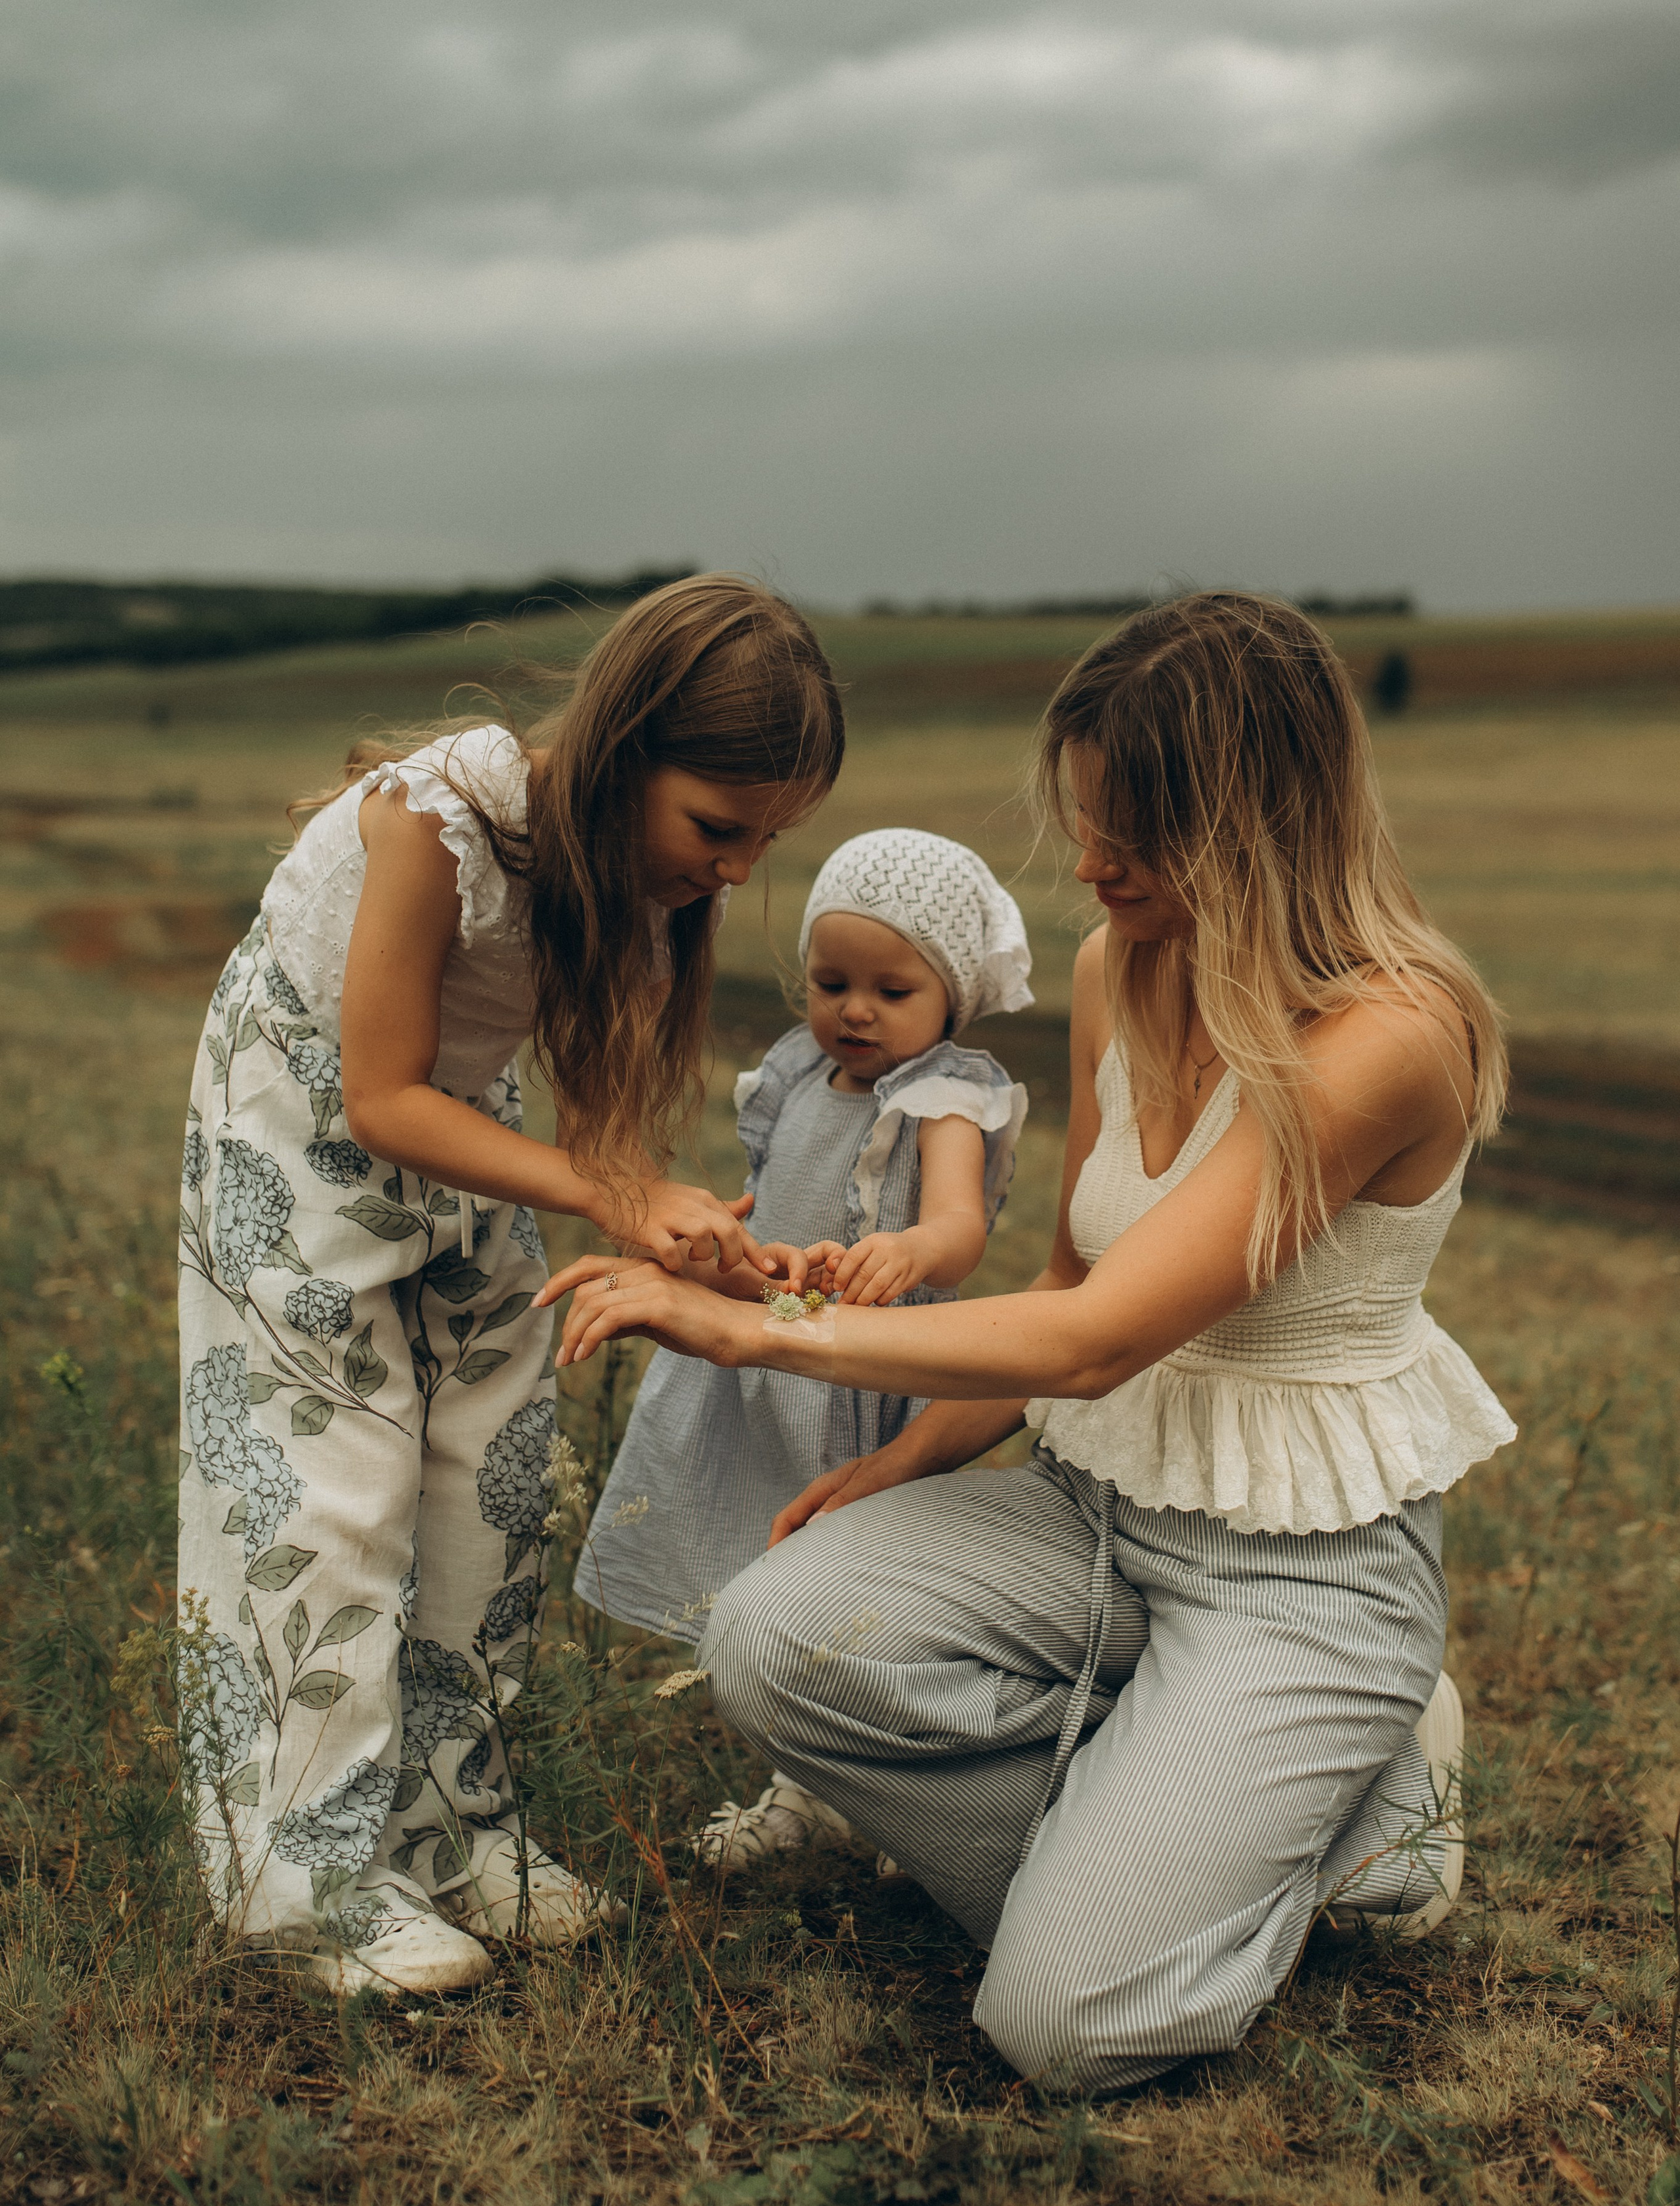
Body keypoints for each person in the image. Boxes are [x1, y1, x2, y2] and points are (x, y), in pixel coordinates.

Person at [543, 590, 1518, 2094]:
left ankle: (1360, 1822)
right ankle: (1185, 1826)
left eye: (1130, 832)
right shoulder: (1116, 968)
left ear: (1250, 822)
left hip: (1300, 1575)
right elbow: (1068, 1272)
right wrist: (914, 1469)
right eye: (1084, 821)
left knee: (1058, 2023)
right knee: (770, 1637)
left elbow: (1088, 1335)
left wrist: (751, 1324)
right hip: (1089, 1514)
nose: (1086, 865)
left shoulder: (1390, 1035)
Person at [176, 575, 844, 1994]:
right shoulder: (440, 825)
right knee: (333, 1486)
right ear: (620, 752)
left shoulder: (640, 883)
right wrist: (611, 1193)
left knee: (490, 1475)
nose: (735, 870)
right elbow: (377, 1097)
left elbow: (595, 1129)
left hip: (460, 1137)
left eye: (765, 842)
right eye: (718, 829)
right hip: (306, 1133)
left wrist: (679, 1228)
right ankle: (304, 1884)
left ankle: (449, 1829)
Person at [566, 829, 1032, 1865]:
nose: (854, 1011)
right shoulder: (792, 1071)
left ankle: (844, 1781)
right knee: (766, 1535)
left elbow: (961, 1229)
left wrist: (906, 1248)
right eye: (832, 982)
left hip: (877, 1357)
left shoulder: (948, 1092)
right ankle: (806, 1771)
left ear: (951, 994)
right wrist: (733, 1255)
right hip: (781, 1336)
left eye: (891, 990)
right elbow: (777, 1214)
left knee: (848, 1574)